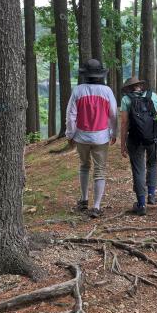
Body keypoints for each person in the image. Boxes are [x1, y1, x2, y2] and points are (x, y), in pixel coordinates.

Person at [66, 59, 118, 218]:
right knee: (100, 171)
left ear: (85, 75)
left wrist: (70, 134)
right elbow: (113, 114)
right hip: (101, 137)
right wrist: (113, 133)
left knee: (84, 166)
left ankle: (83, 200)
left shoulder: (78, 90)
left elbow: (70, 115)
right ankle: (96, 207)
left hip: (81, 136)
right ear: (100, 74)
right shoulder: (107, 91)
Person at [120, 77, 157, 216]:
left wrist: (122, 144)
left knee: (138, 170)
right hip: (154, 138)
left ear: (129, 88)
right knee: (153, 164)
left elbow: (124, 124)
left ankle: (141, 204)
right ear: (140, 86)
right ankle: (152, 196)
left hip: (135, 140)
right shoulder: (153, 96)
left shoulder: (126, 100)